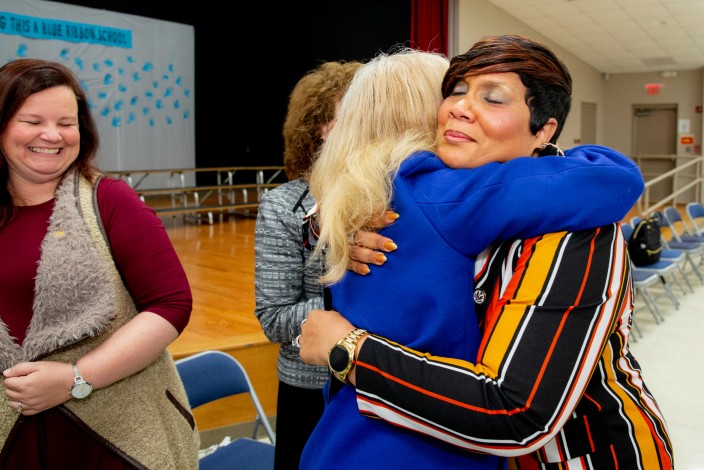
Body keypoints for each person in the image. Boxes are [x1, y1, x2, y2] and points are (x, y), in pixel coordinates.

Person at [300, 36, 673, 469]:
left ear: (544, 128)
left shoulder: (574, 230)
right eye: (455, 91)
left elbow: (514, 411)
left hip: (582, 453)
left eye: (492, 98)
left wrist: (345, 347)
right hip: (422, 436)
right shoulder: (414, 198)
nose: (461, 107)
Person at [0, 59, 199, 469]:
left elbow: (171, 304)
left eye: (67, 122)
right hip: (3, 444)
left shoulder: (109, 200)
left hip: (114, 441)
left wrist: (74, 379)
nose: (52, 135)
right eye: (33, 121)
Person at [254, 60, 362, 469]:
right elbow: (275, 317)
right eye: (348, 116)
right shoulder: (285, 205)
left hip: (380, 380)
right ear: (320, 127)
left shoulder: (399, 198)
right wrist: (357, 307)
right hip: (310, 388)